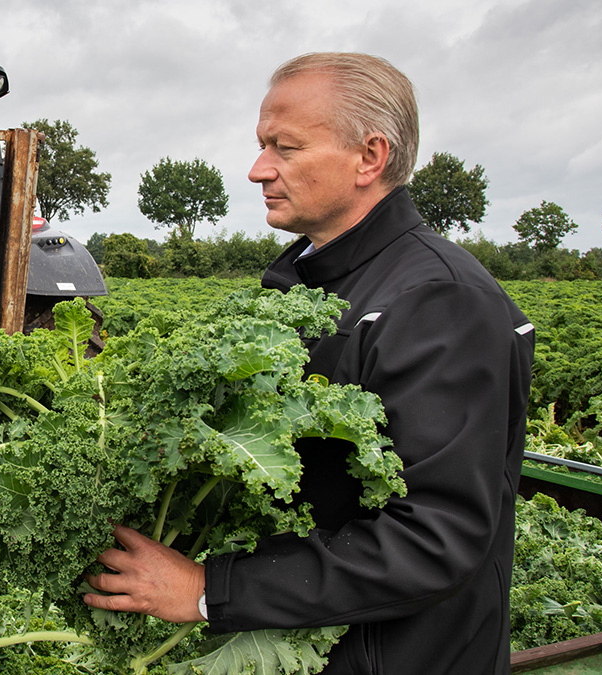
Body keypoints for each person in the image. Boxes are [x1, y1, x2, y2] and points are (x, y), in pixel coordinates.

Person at [83, 53, 535, 675]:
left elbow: (436, 539)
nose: (256, 169)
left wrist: (210, 588)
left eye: (285, 147)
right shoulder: (308, 285)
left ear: (369, 158)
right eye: (261, 145)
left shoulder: (438, 300)